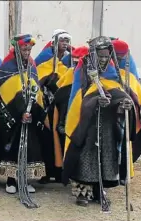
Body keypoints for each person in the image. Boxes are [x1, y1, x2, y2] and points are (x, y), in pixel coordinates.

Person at [62, 36, 141, 209]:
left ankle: (99, 190)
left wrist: (125, 104)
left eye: (106, 56)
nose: (104, 59)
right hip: (87, 124)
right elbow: (77, 97)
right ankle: (82, 192)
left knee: (106, 155)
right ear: (94, 54)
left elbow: (120, 93)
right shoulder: (83, 70)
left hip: (107, 123)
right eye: (101, 56)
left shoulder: (114, 71)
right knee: (86, 156)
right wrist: (94, 102)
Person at [0, 34, 48, 208]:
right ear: (17, 49)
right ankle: (11, 180)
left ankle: (25, 180)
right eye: (24, 49)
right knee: (14, 146)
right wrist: (19, 113)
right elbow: (4, 92)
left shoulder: (32, 65)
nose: (27, 52)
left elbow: (35, 89)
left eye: (29, 49)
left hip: (30, 117)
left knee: (30, 147)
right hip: (13, 119)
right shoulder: (7, 66)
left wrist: (32, 111)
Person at [47, 45, 90, 185]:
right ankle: (63, 174)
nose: (77, 65)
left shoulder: (93, 75)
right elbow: (60, 94)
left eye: (80, 62)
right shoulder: (71, 72)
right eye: (75, 62)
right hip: (66, 118)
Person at [34, 29, 71, 184]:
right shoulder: (44, 58)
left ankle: (61, 172)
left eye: (67, 41)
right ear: (54, 42)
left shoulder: (70, 60)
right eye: (62, 40)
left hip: (61, 106)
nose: (65, 44)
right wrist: (47, 80)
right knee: (47, 139)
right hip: (46, 104)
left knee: (62, 137)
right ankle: (47, 172)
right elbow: (36, 79)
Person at [112, 39, 141, 163]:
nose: (119, 60)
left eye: (122, 57)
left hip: (129, 109)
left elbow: (136, 89)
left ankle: (127, 162)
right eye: (117, 57)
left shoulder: (130, 71)